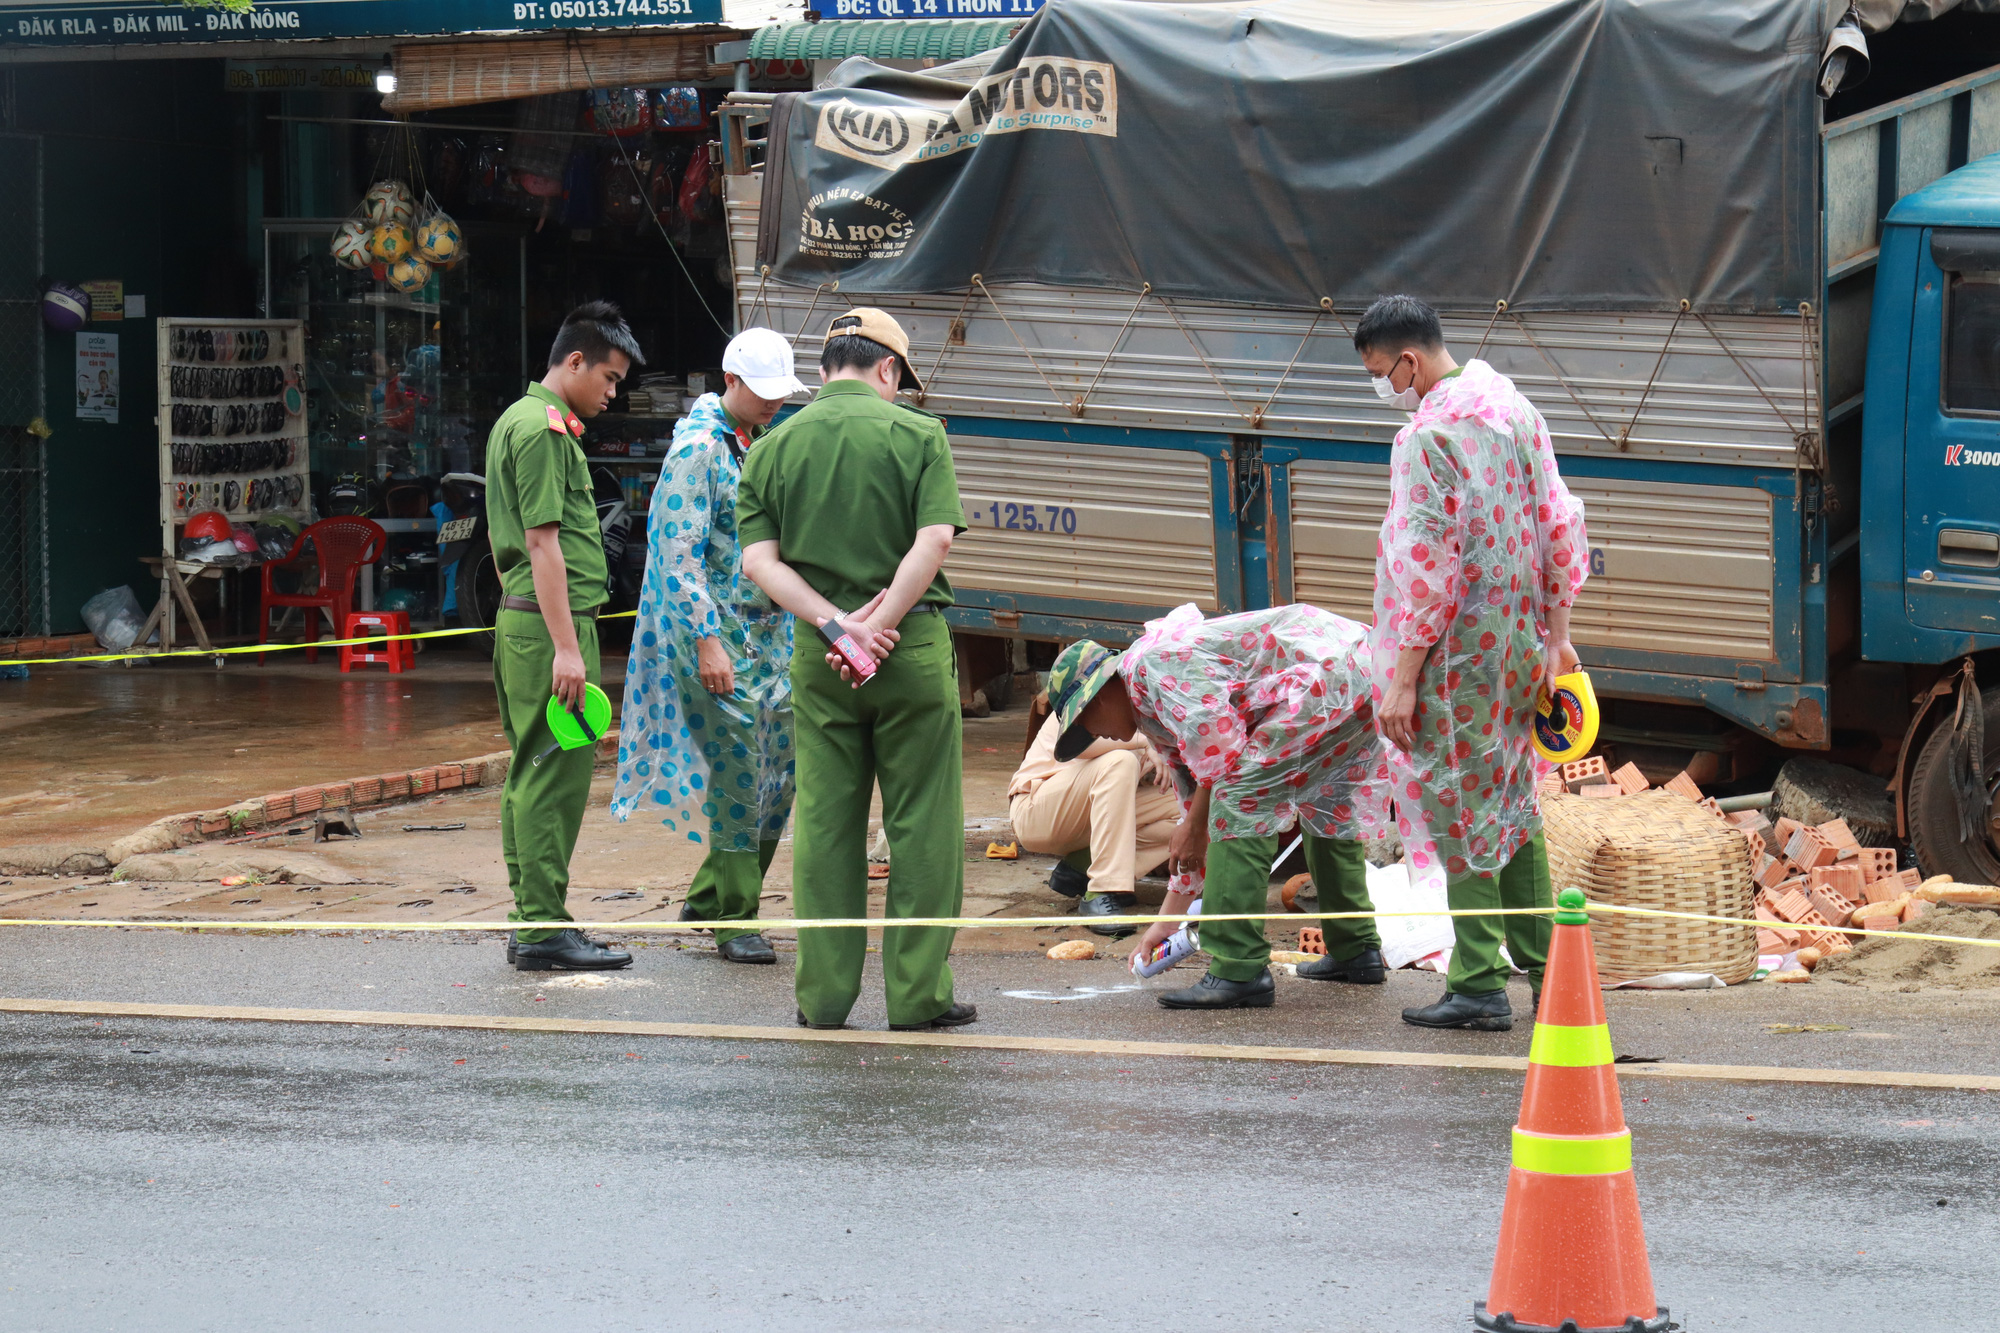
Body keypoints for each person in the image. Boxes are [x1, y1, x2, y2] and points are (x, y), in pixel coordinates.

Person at [1355, 294, 1589, 1032]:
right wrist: (1557, 635)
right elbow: (1561, 520)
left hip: (1456, 660)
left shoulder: (1428, 439)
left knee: (1459, 810)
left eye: (1378, 374)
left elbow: (1425, 566)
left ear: (1409, 362)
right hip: (1519, 647)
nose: (1380, 389)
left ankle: (1480, 980)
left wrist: (1402, 674)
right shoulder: (1513, 410)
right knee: (1514, 809)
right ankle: (1549, 968)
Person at [738, 308, 973, 1031]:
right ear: (888, 370)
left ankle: (825, 998)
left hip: (820, 658)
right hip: (909, 655)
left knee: (828, 826)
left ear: (823, 369)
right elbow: (934, 538)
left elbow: (758, 561)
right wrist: (880, 625)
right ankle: (917, 996)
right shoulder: (919, 434)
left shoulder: (772, 447)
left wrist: (837, 626)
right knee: (923, 825)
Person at [1047, 602, 1397, 1009]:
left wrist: (1196, 826)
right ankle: (1356, 951)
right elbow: (1193, 810)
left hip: (1326, 676)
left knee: (1240, 798)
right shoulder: (1151, 710)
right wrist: (1165, 923)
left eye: (1086, 722)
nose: (1096, 736)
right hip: (1358, 674)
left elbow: (1222, 760)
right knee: (1325, 803)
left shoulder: (1151, 668)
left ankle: (1237, 967)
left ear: (1103, 693)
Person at [612, 327, 807, 964]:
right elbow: (677, 556)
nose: (775, 401)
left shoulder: (756, 441)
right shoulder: (698, 450)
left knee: (782, 772)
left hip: (770, 634)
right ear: (730, 381)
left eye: (782, 391)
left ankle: (710, 892)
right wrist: (706, 640)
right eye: (763, 390)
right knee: (740, 775)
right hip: (716, 637)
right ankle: (735, 917)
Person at [487, 300, 644, 972]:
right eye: (609, 378)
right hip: (549, 627)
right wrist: (569, 648)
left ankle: (535, 919)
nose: (613, 394)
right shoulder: (546, 432)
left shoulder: (520, 421)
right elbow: (543, 543)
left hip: (527, 625)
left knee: (531, 770)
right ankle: (542, 926)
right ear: (574, 360)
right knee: (553, 775)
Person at [1009, 705, 1179, 936]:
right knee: (1120, 761)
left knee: (1186, 809)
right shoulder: (1095, 688)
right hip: (1036, 811)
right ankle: (1102, 890)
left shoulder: (1162, 704)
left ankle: (1082, 866)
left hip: (1090, 817)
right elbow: (1075, 745)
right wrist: (1145, 741)